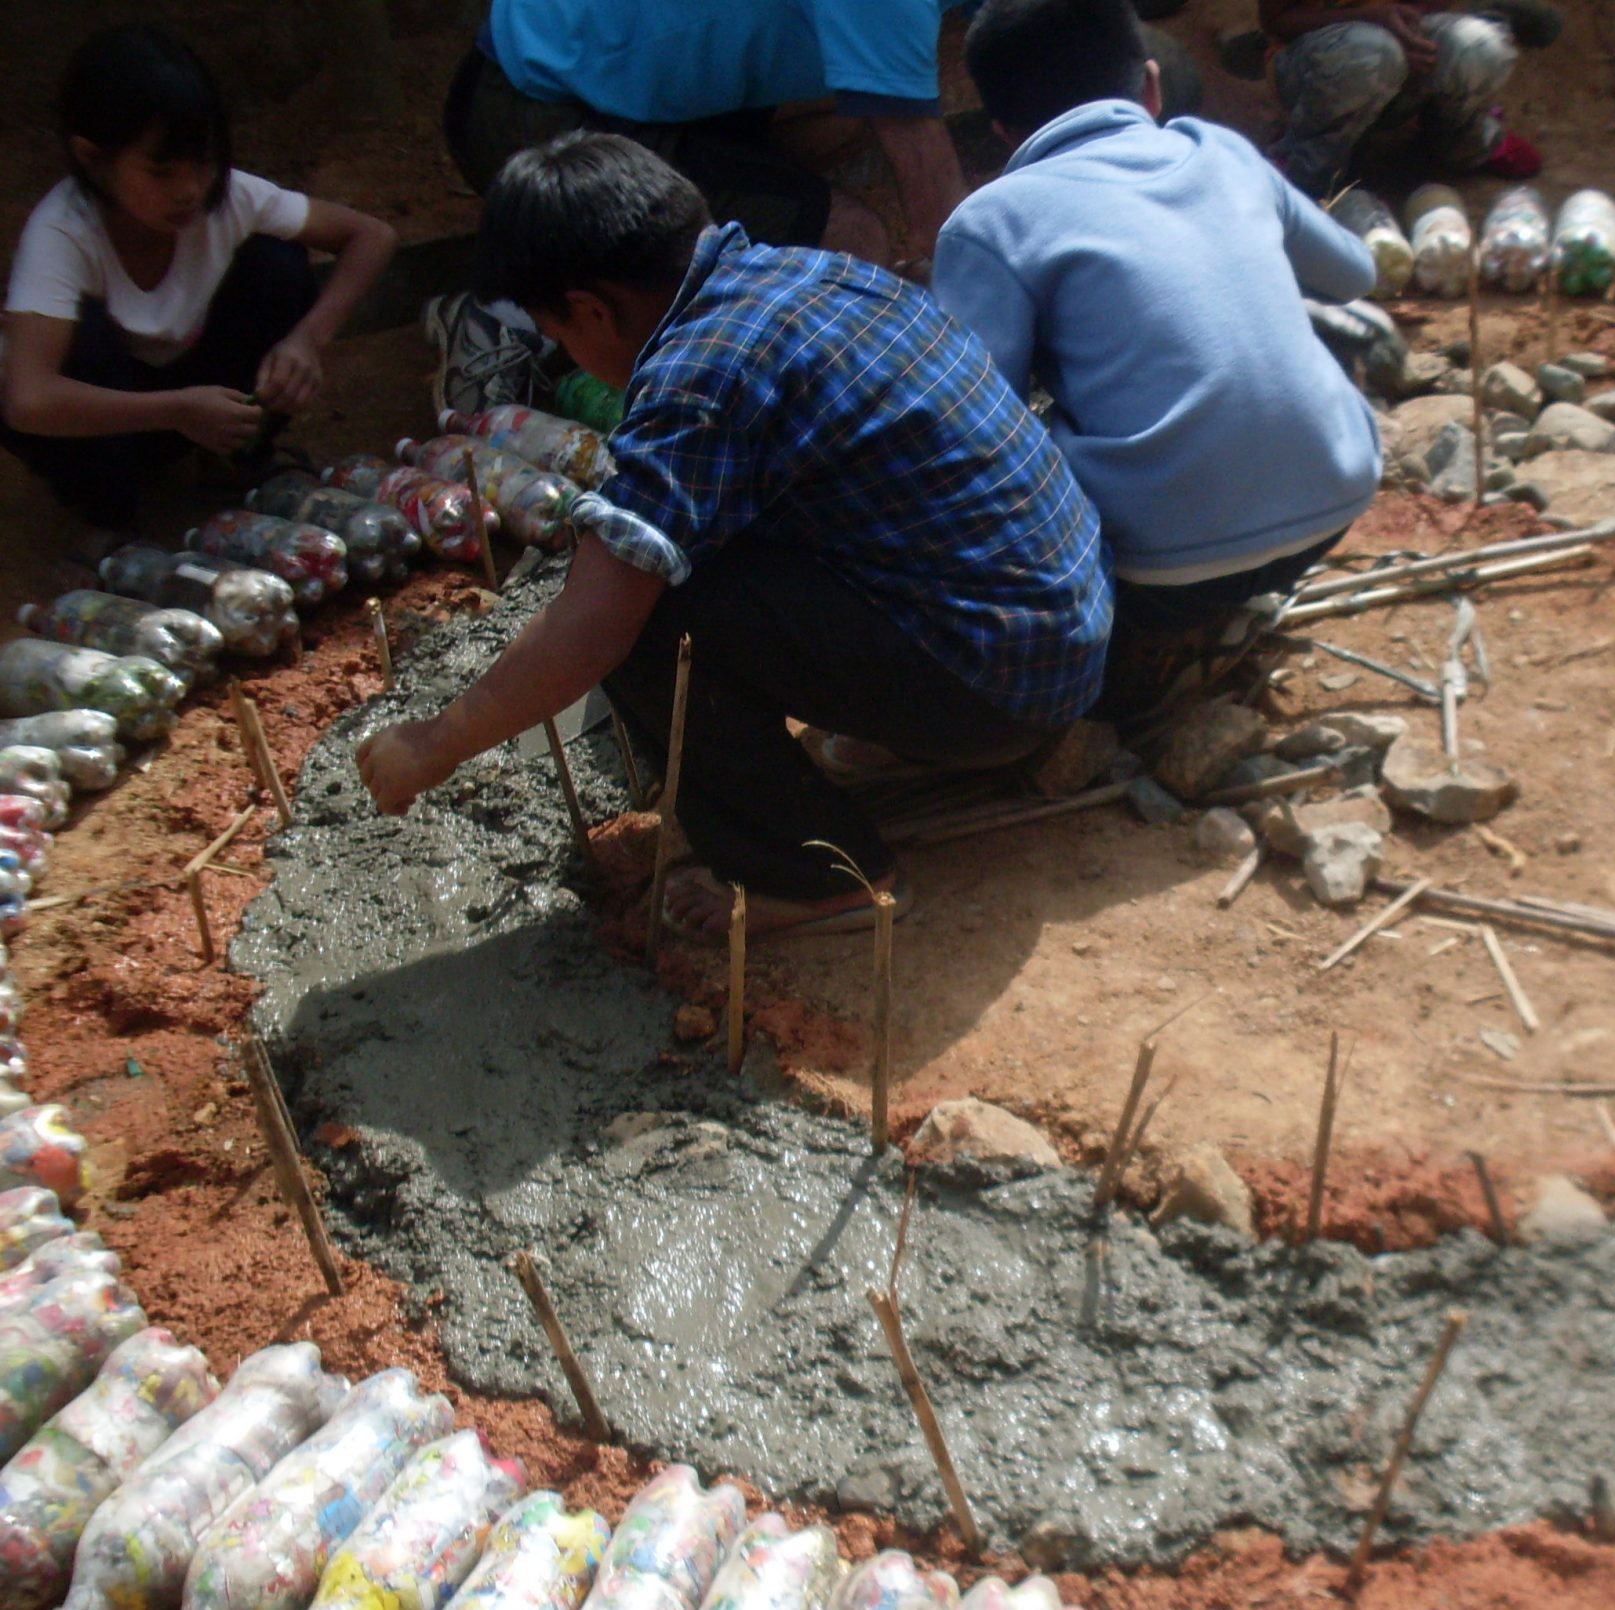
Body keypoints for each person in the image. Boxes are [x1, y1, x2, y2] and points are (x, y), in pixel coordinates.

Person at [357, 133, 1111, 938]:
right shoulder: (809, 273)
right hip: (1057, 641)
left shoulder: (701, 375)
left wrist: (433, 744)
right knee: (684, 546)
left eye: (561, 331)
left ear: (590, 310)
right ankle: (899, 743)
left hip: (997, 688)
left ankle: (821, 876)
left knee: (646, 616)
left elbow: (590, 632)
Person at [934, 0, 1382, 717]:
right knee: (1318, 325)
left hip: (1163, 570)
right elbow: (1354, 277)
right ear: (1150, 86)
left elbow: (969, 425)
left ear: (1000, 130)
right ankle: (1235, 597)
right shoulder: (1223, 151)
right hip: (1334, 503)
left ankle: (1134, 657)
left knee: (1012, 434)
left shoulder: (991, 221)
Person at [1, 24, 396, 529]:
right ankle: (108, 516)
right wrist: (174, 410)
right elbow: (28, 399)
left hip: (201, 405)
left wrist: (307, 340)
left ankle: (235, 458)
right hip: (109, 425)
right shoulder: (61, 232)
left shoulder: (227, 199)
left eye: (203, 163)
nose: (190, 190)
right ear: (93, 159)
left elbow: (372, 236)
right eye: (161, 173)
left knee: (276, 261)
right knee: (84, 340)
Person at [443, 0, 973, 264]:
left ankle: (739, 236)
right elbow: (943, 231)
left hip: (624, 84)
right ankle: (518, 317)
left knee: (859, 107)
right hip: (532, 115)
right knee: (854, 242)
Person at [1258, 0, 1546, 196]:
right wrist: (1373, 20)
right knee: (1371, 54)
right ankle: (1308, 167)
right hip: (1318, 60)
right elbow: (1278, 21)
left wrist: (1410, 28)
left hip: (1392, 44)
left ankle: (1461, 141)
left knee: (1478, 49)